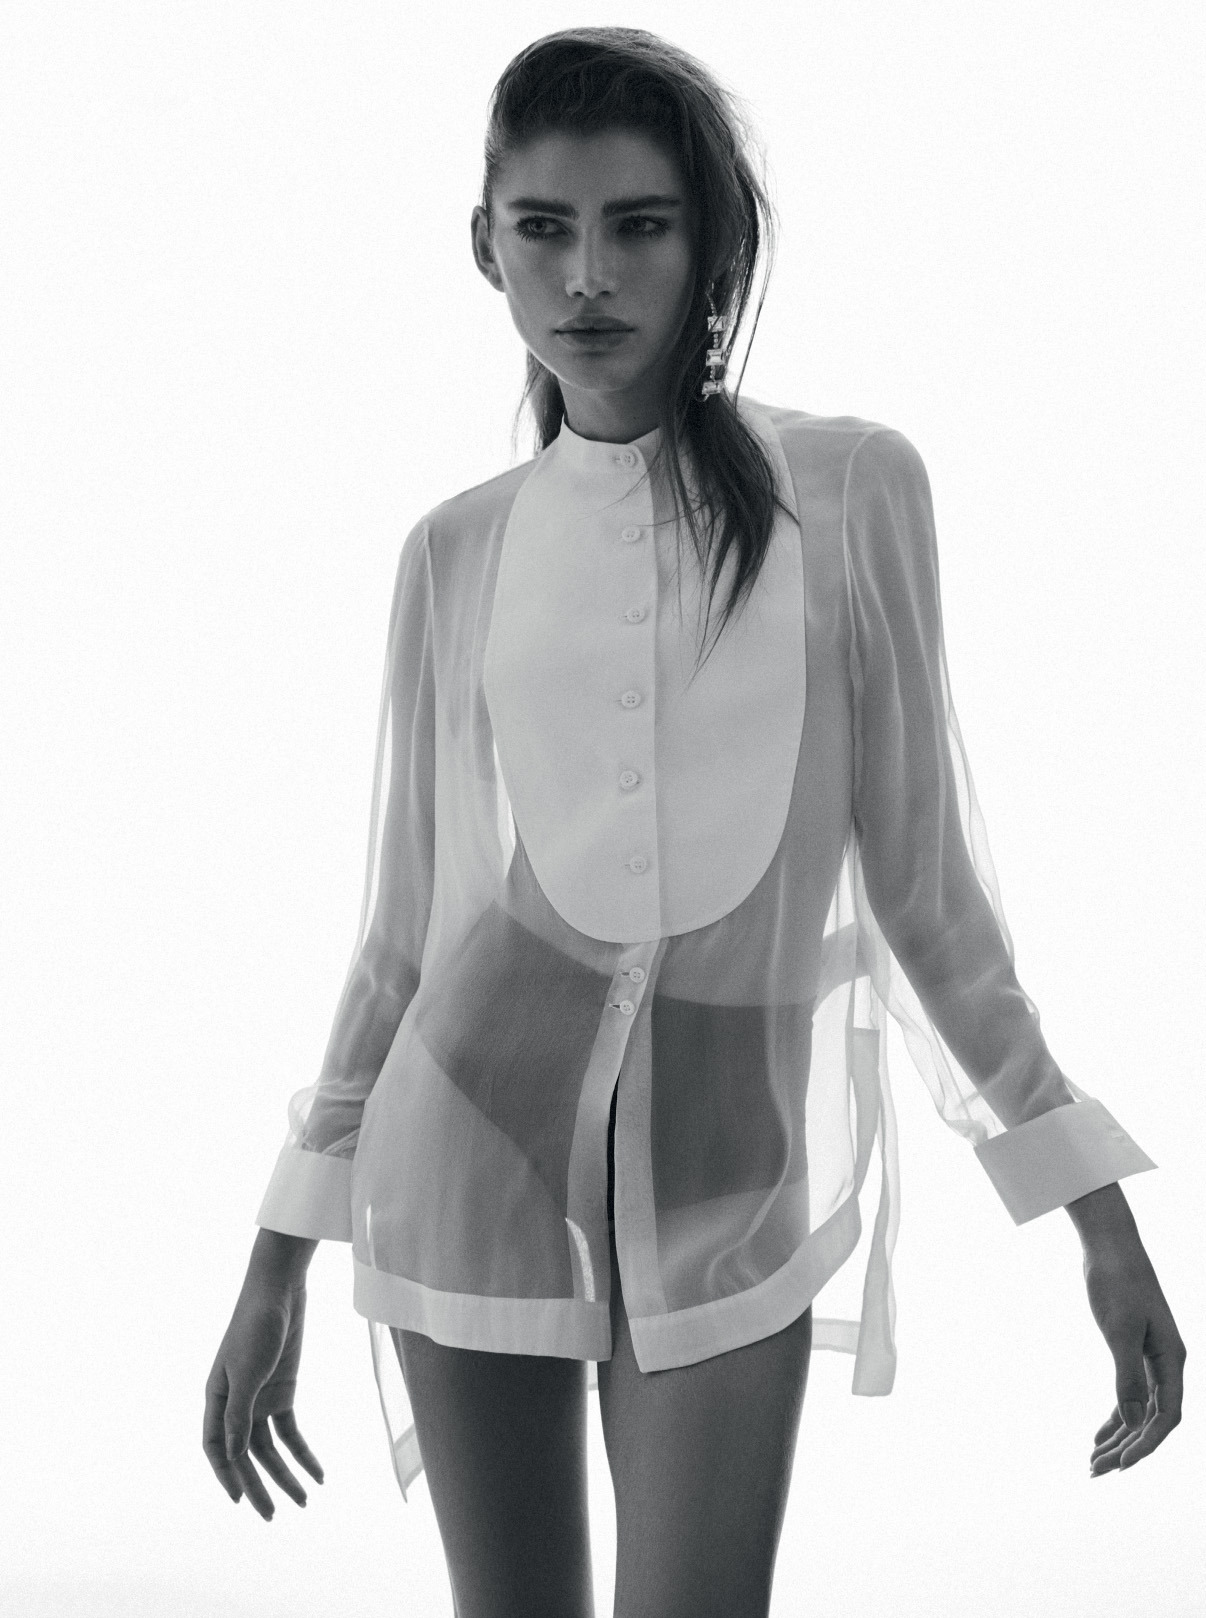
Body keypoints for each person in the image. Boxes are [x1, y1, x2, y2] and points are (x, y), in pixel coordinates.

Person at [203, 26, 1186, 1618]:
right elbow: (403, 933)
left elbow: (928, 898)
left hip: (729, 1175)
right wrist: (277, 1254)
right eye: (543, 228)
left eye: (638, 225)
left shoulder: (851, 491)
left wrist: (1092, 1208)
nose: (587, 275)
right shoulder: (454, 551)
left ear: (707, 244)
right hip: (468, 1152)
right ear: (486, 247)